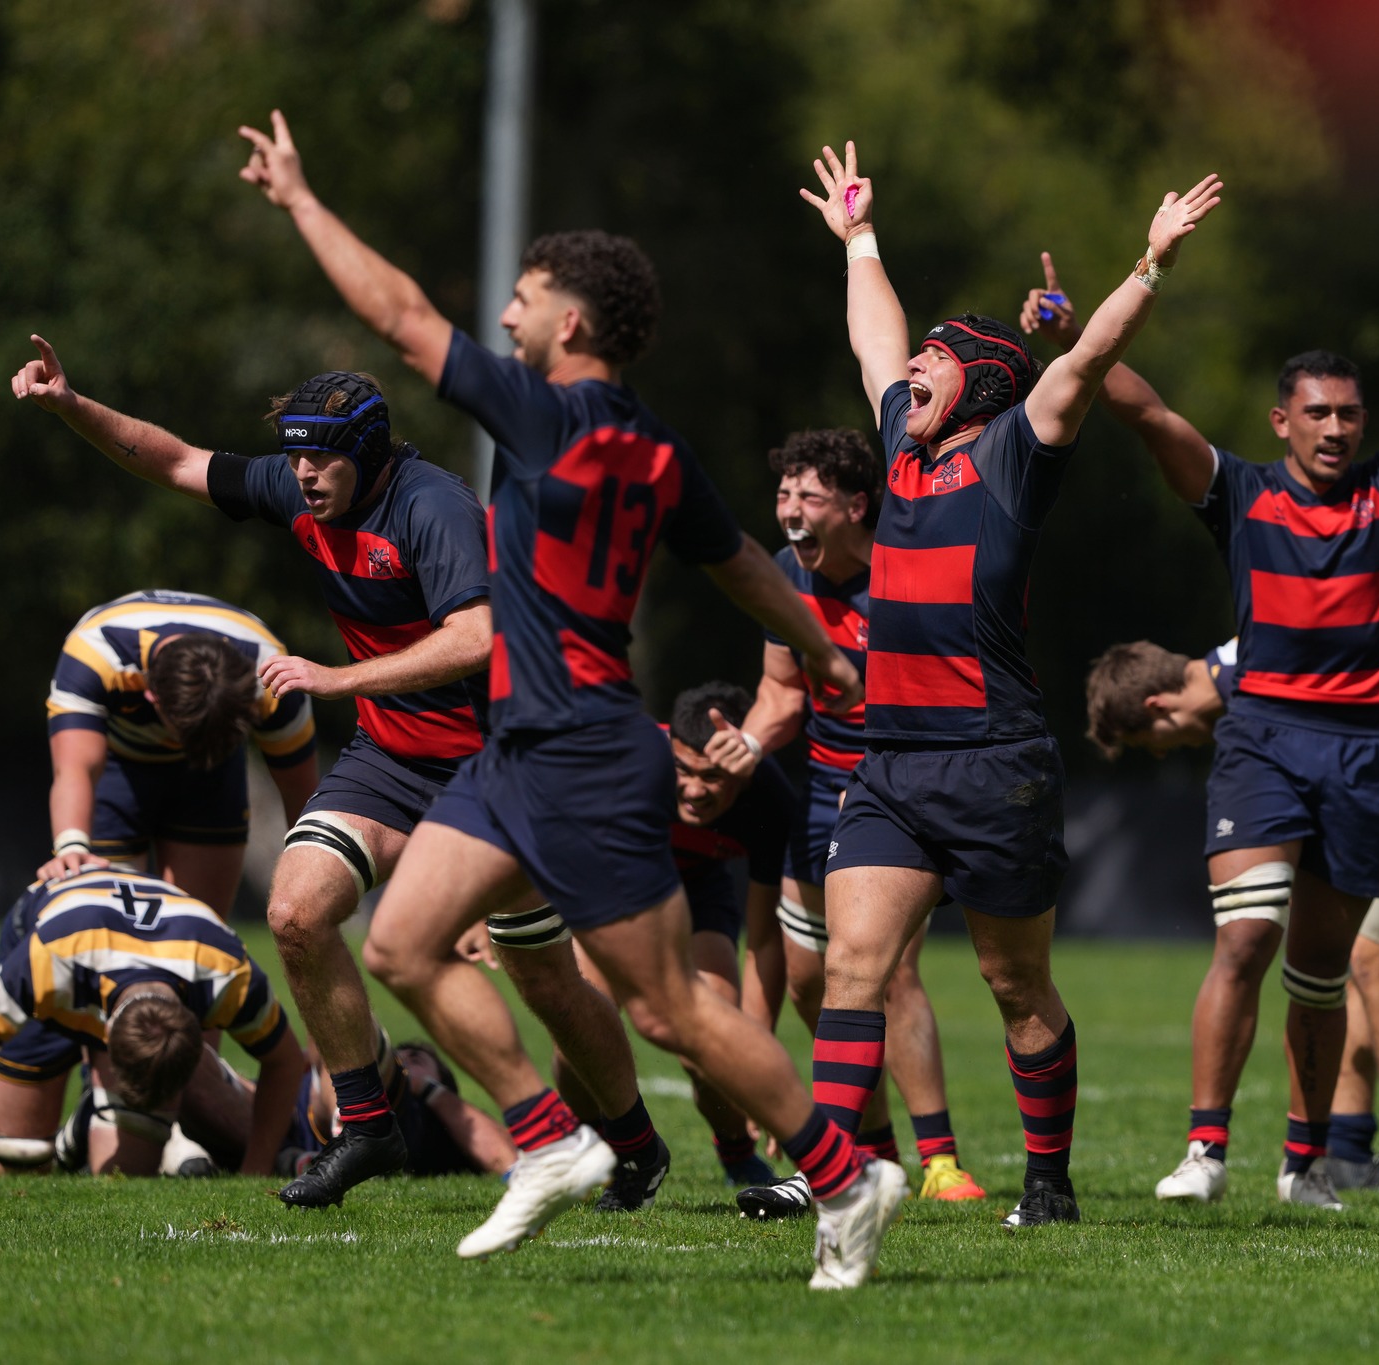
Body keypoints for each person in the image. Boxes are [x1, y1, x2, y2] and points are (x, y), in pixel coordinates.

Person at [237, 110, 902, 1289]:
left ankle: (846, 1173)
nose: (506, 315)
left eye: (524, 297)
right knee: (395, 941)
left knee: (668, 1015)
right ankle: (547, 1143)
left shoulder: (549, 416)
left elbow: (396, 316)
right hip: (515, 746)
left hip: (587, 752)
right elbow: (743, 564)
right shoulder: (658, 447)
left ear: (572, 324)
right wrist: (819, 643)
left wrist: (297, 201)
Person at [1026, 196, 1379, 1207]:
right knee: (1244, 938)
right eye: (1315, 414)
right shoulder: (1238, 493)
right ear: (1279, 421)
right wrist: (1082, 335)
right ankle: (1204, 1152)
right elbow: (1143, 414)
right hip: (1263, 744)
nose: (1334, 429)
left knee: (1322, 973)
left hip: (1365, 753)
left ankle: (1304, 1163)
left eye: (1347, 415)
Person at [8, 348, 595, 1211]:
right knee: (295, 909)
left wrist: (335, 679)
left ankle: (634, 1140)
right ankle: (367, 1122)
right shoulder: (299, 488)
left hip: (490, 763)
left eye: (320, 457)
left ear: (369, 451)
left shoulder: (430, 506)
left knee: (556, 978)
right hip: (393, 758)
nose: (303, 474)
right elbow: (173, 459)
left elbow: (477, 637)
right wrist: (70, 406)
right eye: (294, 456)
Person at [796, 140, 1222, 1230]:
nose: (913, 372)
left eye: (937, 361)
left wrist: (1149, 266)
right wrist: (858, 238)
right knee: (851, 968)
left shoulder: (1015, 450)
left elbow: (1078, 368)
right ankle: (837, 1177)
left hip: (994, 764)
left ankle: (1047, 1182)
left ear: (980, 381)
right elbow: (872, 336)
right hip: (888, 761)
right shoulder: (899, 446)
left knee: (1012, 984)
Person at [1083, 637, 1379, 1196]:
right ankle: (1350, 1150)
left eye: (1149, 741)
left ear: (1159, 706)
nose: (1162, 752)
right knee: (1344, 959)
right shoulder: (1246, 675)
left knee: (1371, 953)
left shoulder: (1258, 668)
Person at [701, 428, 986, 1216]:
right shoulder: (787, 577)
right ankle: (877, 1146)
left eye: (809, 495)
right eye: (784, 493)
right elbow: (782, 690)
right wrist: (751, 740)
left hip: (904, 787)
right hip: (825, 789)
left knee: (890, 970)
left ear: (858, 506)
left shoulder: (904, 571)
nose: (790, 509)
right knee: (806, 978)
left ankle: (940, 1159)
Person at [0, 868, 305, 1179]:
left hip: (127, 958)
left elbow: (286, 1061)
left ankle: (84, 1127)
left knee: (129, 1170)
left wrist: (256, 1168)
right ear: (106, 1041)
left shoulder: (225, 972)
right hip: (60, 934)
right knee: (18, 1159)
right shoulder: (49, 962)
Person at [546, 683, 792, 1190]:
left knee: (712, 1046)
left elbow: (765, 938)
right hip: (615, 885)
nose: (696, 790)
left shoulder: (771, 796)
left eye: (715, 776)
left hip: (700, 889)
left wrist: (755, 1056)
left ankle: (737, 1151)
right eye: (685, 770)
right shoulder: (625, 759)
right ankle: (596, 1148)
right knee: (578, 1031)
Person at [40, 588, 320, 914]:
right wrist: (71, 845)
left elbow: (298, 785)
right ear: (152, 698)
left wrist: (311, 864)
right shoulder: (94, 653)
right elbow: (74, 768)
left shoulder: (273, 674)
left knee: (197, 930)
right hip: (120, 767)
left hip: (214, 770)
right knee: (109, 929)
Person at [280, 1035, 517, 1179]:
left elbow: (507, 1156)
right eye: (396, 1057)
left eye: (415, 1059)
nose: (403, 1062)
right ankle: (295, 1156)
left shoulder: (425, 1118)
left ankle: (347, 1134)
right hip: (282, 1119)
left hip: (354, 1109)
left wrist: (432, 1091)